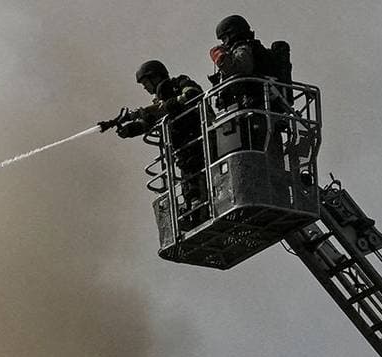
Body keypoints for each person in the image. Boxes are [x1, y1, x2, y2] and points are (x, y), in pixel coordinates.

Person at [105, 60, 208, 227]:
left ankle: (199, 208)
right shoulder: (158, 104)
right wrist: (129, 130)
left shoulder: (180, 83)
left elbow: (192, 93)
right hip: (182, 148)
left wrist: (169, 105)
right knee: (188, 178)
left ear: (156, 77)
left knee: (196, 173)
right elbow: (149, 122)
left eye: (146, 83)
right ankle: (194, 209)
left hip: (200, 139)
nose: (145, 88)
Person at [209, 15, 294, 155]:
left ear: (232, 35)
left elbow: (240, 67)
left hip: (255, 117)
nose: (224, 44)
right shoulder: (252, 49)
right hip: (255, 118)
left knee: (257, 158)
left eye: (224, 39)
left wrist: (220, 57)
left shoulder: (244, 48)